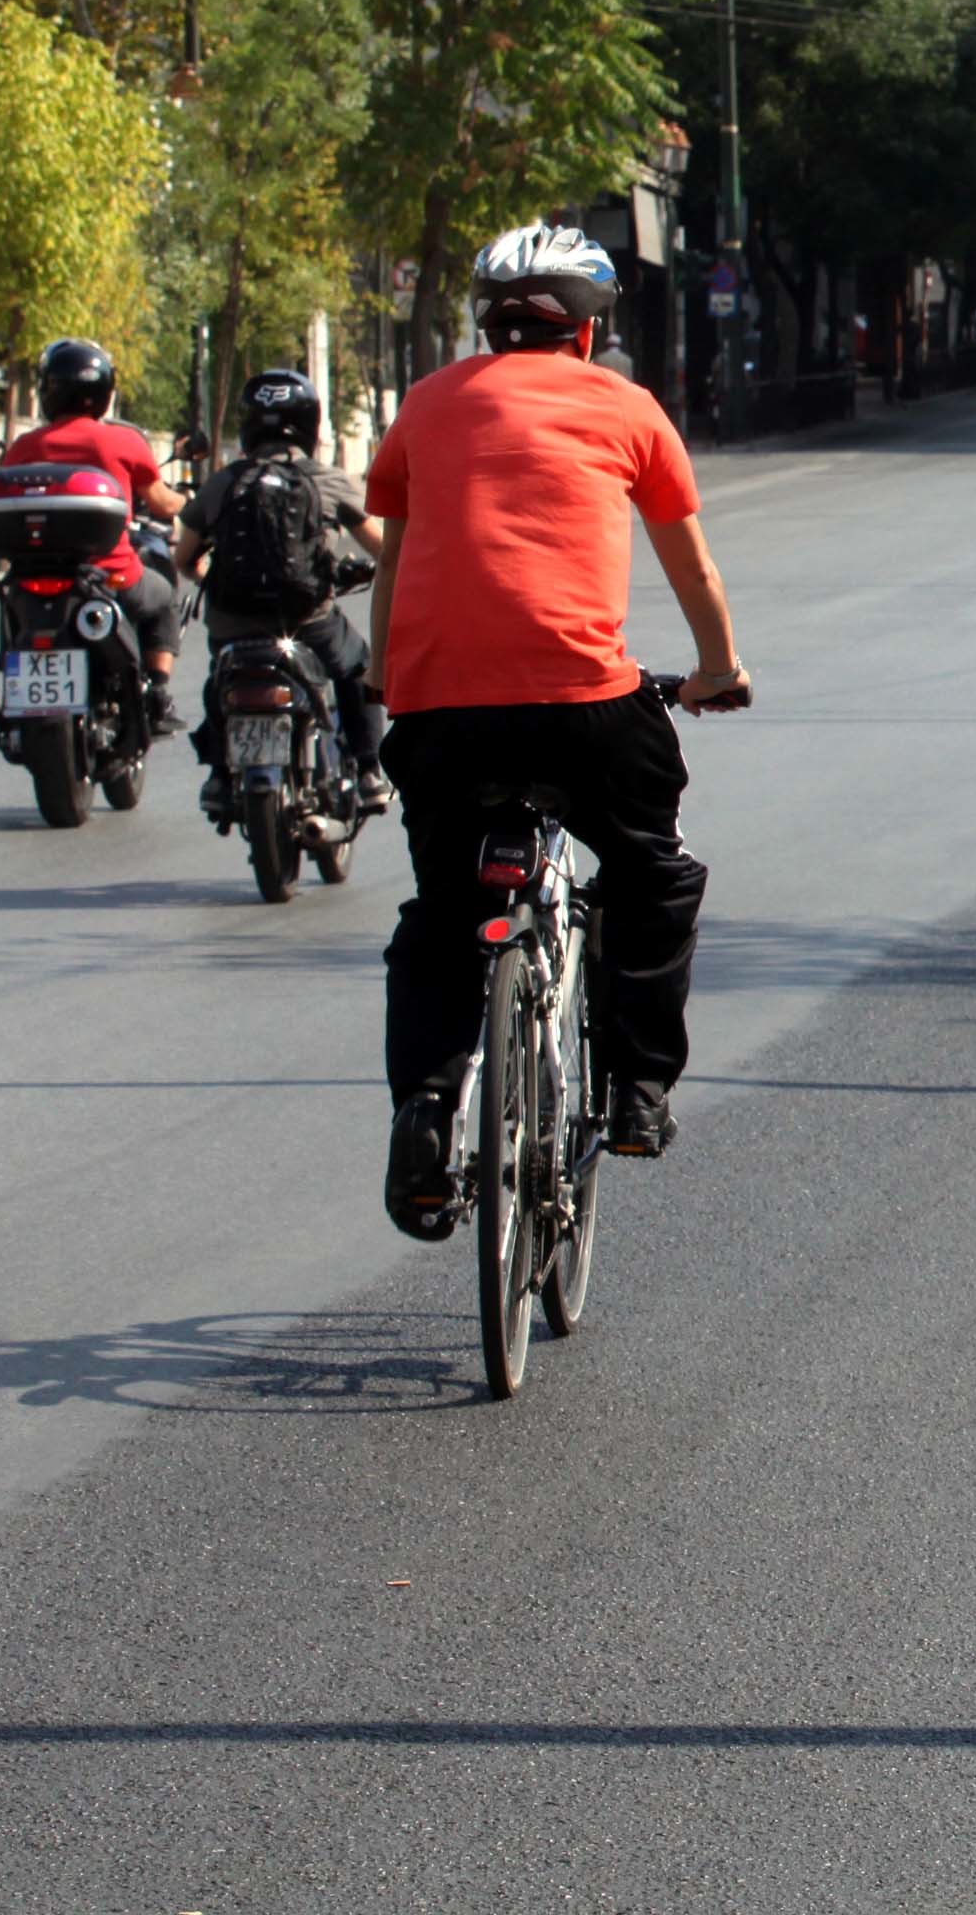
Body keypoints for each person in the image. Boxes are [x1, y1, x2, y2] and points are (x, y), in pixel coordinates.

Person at [368, 224, 750, 1243]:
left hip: (440, 714)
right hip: (586, 705)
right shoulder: (627, 407)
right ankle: (634, 1091)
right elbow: (692, 569)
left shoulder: (424, 406)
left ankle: (425, 1112)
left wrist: (384, 676)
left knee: (445, 914)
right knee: (648, 873)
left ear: (486, 322)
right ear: (590, 329)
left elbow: (396, 567)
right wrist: (719, 669)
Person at [174, 365, 391, 815]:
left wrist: (209, 577)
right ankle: (370, 772)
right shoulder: (327, 480)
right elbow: (385, 550)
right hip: (307, 622)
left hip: (234, 625)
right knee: (358, 668)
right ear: (311, 424)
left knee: (220, 680)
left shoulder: (224, 482)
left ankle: (219, 774)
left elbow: (184, 559)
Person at [2, 338, 188, 729]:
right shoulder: (122, 441)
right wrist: (188, 502)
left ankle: (13, 681)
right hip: (112, 574)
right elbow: (161, 504)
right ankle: (158, 691)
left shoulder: (25, 445)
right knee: (164, 597)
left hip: (34, 575)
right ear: (104, 391)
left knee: (11, 603)